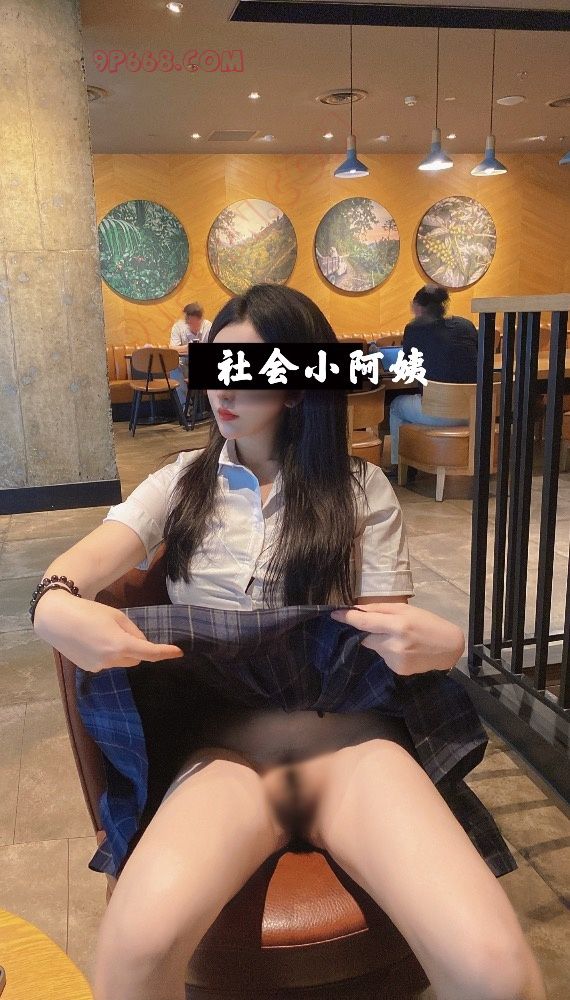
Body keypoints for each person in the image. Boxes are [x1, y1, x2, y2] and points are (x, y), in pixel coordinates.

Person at [32, 284, 545, 1000]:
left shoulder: (360, 488)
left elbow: (384, 643)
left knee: (497, 971)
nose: (223, 389)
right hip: (227, 755)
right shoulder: (180, 483)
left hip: (352, 747)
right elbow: (74, 569)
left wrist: (441, 644)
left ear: (300, 386)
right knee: (133, 952)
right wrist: (53, 606)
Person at [386, 285, 478, 480]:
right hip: (473, 411)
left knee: (396, 406)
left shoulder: (415, 329)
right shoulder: (467, 326)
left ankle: (402, 467)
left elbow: (407, 366)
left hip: (439, 413)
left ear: (418, 307)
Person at [169, 303, 212, 412]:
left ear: (200, 319)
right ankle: (186, 407)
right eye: (187, 319)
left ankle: (213, 407)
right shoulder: (178, 327)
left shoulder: (208, 327)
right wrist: (188, 347)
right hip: (184, 365)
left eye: (192, 320)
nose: (189, 322)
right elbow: (172, 349)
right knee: (174, 368)